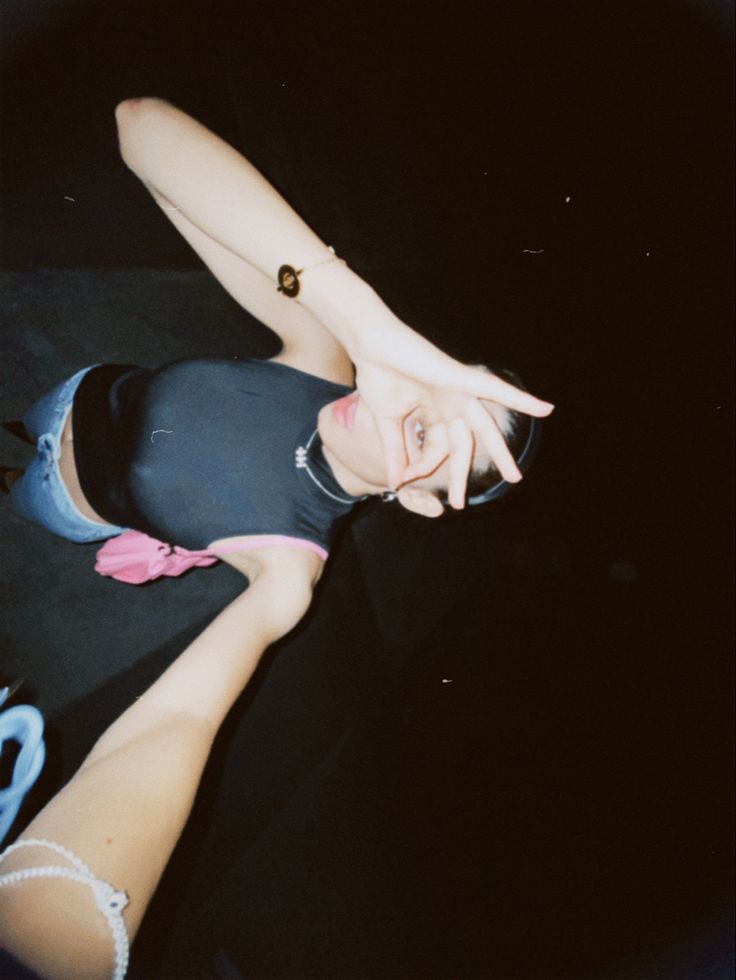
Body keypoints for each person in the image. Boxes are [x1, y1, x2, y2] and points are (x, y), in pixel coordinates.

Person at [0, 98, 553, 976]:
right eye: (425, 382)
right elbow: (138, 130)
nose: (387, 402)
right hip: (78, 389)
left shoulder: (287, 571)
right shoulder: (325, 353)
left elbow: (181, 718)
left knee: (16, 493)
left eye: (421, 435)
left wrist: (55, 923)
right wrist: (361, 320)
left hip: (64, 500)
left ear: (417, 502)